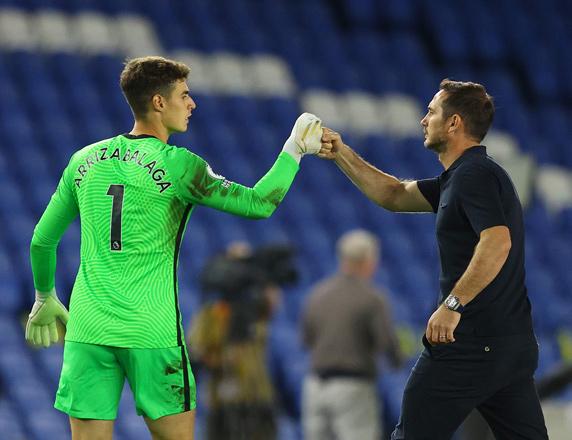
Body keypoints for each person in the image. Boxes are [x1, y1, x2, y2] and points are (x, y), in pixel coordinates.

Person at [25, 56, 323, 440]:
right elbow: (259, 204)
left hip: (87, 329)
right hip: (152, 332)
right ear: (158, 102)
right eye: (184, 95)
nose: (192, 103)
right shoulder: (179, 165)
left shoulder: (83, 160)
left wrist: (44, 293)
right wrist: (294, 149)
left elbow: (41, 240)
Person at [318, 79, 548, 439]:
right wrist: (341, 153)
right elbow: (393, 194)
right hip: (509, 344)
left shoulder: (474, 175)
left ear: (454, 123)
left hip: (469, 344)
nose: (423, 120)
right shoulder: (460, 178)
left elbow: (497, 241)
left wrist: (453, 305)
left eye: (431, 112)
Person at [301, 229, 403, 440]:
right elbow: (386, 343)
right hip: (353, 386)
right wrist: (397, 361)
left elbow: (306, 339)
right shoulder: (372, 298)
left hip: (315, 385)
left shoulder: (317, 294)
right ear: (368, 260)